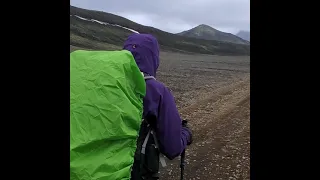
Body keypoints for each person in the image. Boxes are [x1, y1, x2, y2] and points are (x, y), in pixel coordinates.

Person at [123, 33, 193, 179]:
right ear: (153, 58)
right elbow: (172, 148)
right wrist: (186, 134)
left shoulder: (104, 85)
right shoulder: (156, 91)